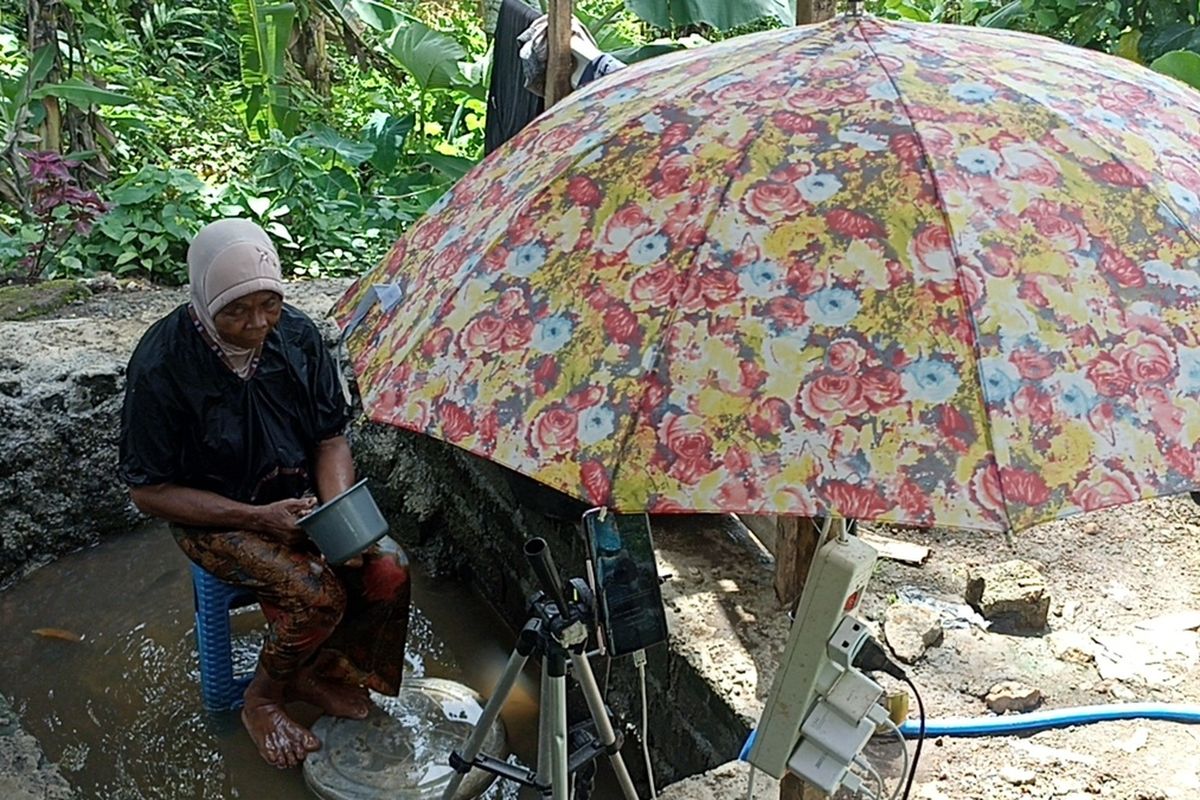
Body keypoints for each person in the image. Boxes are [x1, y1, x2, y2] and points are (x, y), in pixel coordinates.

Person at [118, 218, 411, 769]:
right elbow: (149, 492)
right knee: (315, 593)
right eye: (236, 310)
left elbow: (329, 438)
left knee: (388, 568)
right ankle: (262, 698)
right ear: (204, 299)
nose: (256, 324)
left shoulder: (296, 337)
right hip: (215, 517)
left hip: (298, 500)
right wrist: (256, 517)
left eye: (268, 305)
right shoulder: (162, 365)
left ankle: (321, 672)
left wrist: (336, 513)